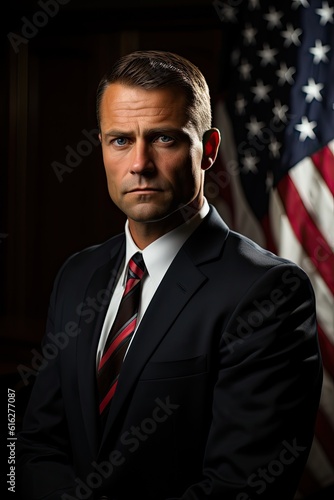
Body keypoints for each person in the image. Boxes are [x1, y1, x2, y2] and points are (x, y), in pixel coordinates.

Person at [17, 50, 323, 500]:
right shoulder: (77, 275)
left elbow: (240, 488)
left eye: (164, 139)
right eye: (120, 140)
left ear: (209, 150)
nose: (139, 163)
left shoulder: (267, 292)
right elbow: (31, 445)